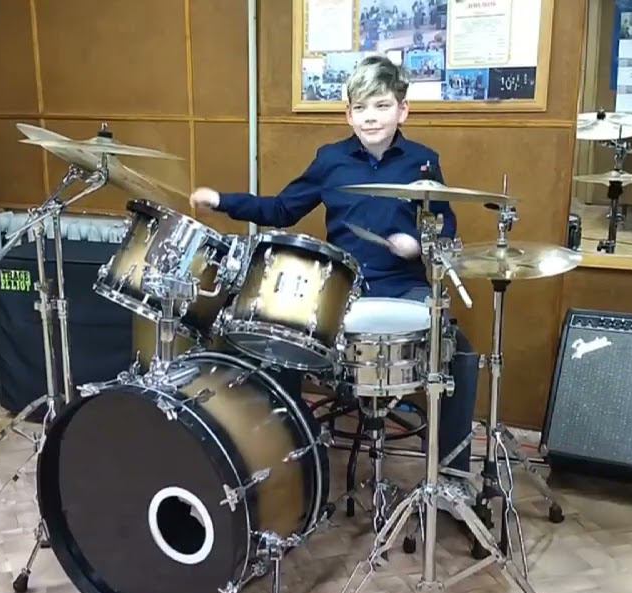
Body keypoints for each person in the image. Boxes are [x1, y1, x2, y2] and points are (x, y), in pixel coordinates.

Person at [190, 55, 478, 474]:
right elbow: (282, 209)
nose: (370, 117)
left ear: (402, 110)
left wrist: (418, 245)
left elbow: (445, 227)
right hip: (346, 290)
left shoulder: (423, 161)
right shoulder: (330, 160)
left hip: (405, 288)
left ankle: (453, 473)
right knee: (281, 341)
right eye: (360, 108)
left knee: (461, 355)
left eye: (381, 106)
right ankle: (297, 463)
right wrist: (222, 201)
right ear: (348, 114)